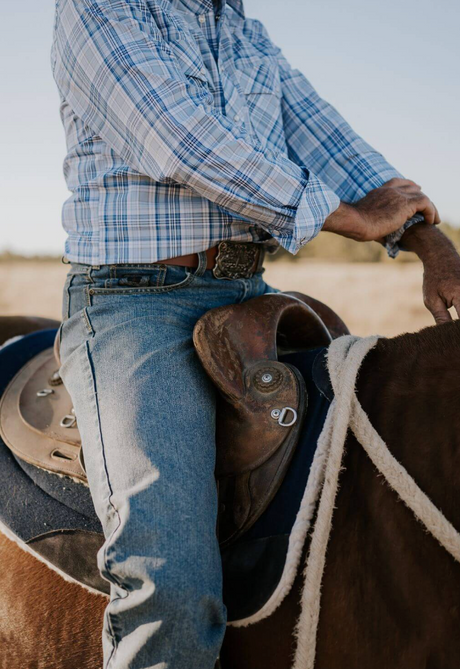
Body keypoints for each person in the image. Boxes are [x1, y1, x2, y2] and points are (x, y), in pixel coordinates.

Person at [51, 1, 460, 667]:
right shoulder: (100, 9)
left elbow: (325, 137)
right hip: (134, 304)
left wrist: (429, 239)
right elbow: (174, 140)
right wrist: (341, 215)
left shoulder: (240, 31)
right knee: (168, 582)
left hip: (251, 297)